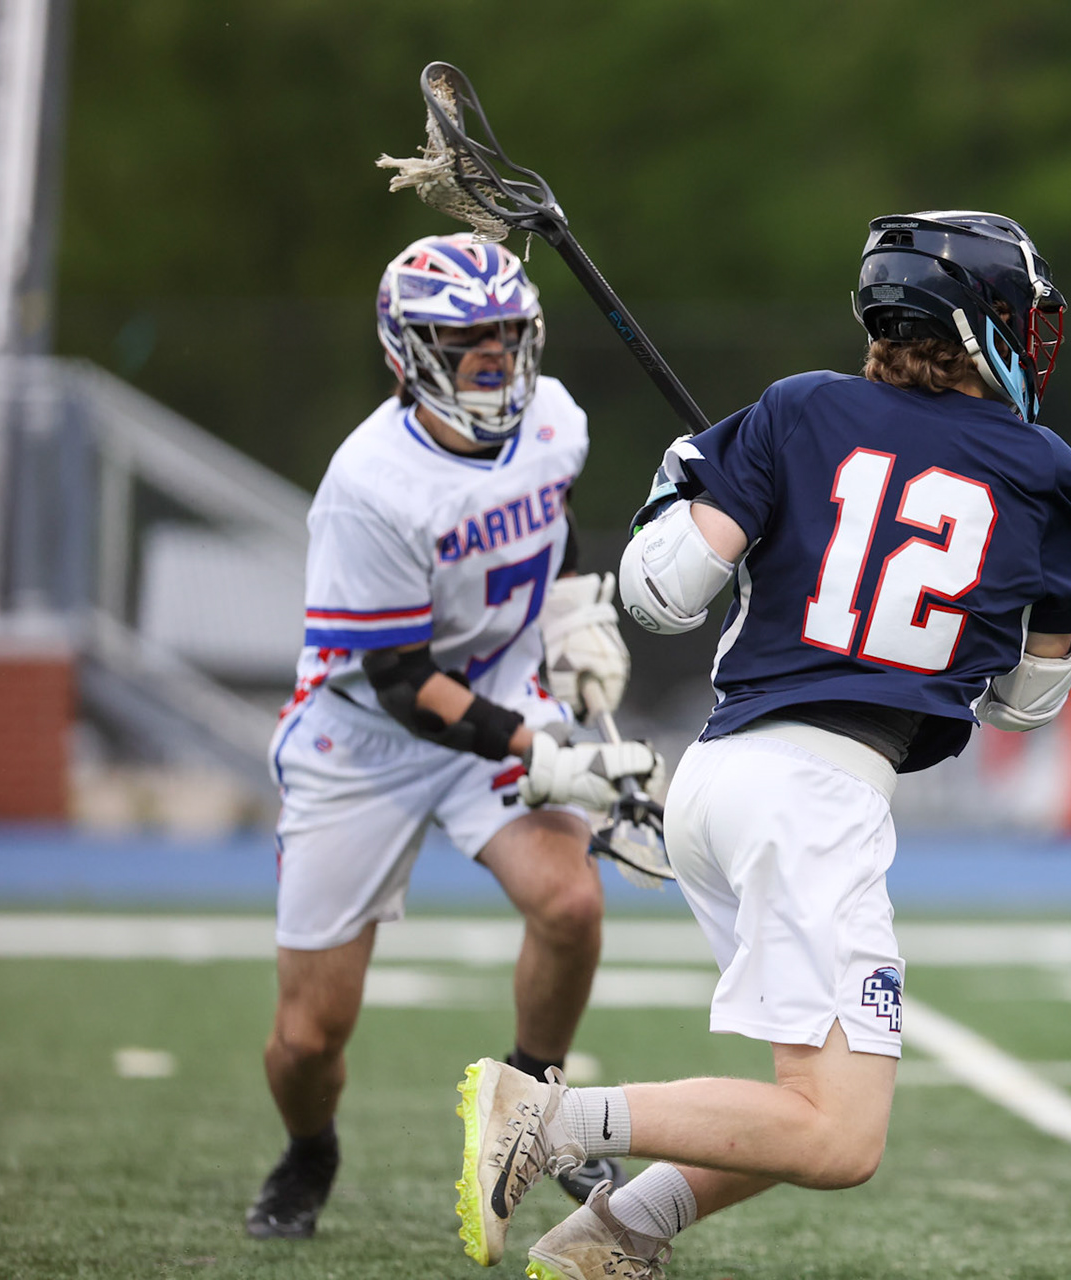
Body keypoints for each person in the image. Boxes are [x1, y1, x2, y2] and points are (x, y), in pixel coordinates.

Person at [448, 211, 1071, 1277]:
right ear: (986, 325)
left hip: (720, 779)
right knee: (841, 1136)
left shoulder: (799, 409)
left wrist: (701, 483)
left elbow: (660, 592)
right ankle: (548, 1117)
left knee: (808, 1098)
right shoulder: (1038, 467)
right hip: (817, 793)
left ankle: (618, 1233)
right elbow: (1028, 699)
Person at [245, 232, 665, 1240]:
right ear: (407, 351)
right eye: (465, 335)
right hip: (368, 738)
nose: (492, 355)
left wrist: (567, 615)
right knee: (309, 1037)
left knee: (570, 900)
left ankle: (531, 1104)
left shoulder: (555, 420)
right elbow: (397, 680)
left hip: (495, 684)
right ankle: (312, 1146)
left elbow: (543, 532)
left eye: (508, 332)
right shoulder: (370, 484)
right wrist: (536, 741)